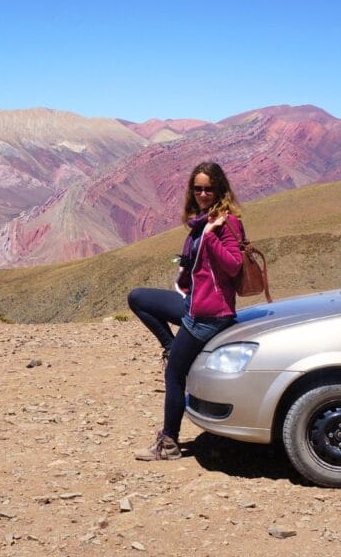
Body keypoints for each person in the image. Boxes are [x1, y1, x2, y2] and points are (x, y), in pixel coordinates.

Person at [131, 161, 244, 461]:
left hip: (211, 315)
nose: (203, 194)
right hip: (193, 304)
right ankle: (172, 346)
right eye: (198, 189)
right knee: (138, 298)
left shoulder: (225, 223)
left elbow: (234, 266)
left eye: (209, 188)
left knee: (175, 375)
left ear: (220, 188)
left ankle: (169, 443)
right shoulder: (201, 221)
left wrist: (209, 237)